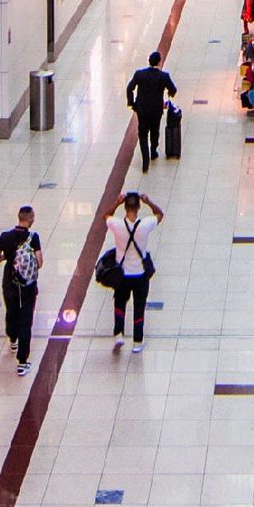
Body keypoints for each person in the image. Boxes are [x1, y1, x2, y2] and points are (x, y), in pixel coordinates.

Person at [0, 204, 42, 374]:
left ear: (19, 218)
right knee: (26, 319)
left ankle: (12, 339)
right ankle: (22, 362)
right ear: (31, 219)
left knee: (11, 311)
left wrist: (7, 257)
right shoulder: (34, 237)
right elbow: (39, 263)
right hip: (27, 285)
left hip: (9, 282)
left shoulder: (5, 237)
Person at [108, 189, 162, 352]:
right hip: (140, 274)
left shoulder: (117, 224)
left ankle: (118, 334)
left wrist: (116, 202)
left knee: (119, 303)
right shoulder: (145, 225)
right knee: (139, 306)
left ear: (125, 207)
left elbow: (105, 215)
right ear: (139, 207)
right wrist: (149, 201)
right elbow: (160, 214)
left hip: (122, 274)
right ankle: (137, 342)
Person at [126, 50, 177, 173]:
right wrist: (170, 92)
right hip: (156, 110)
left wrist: (131, 103)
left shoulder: (139, 74)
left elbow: (129, 88)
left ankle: (145, 160)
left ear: (149, 61)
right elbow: (173, 90)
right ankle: (153, 150)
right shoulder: (164, 76)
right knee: (155, 130)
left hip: (142, 109)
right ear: (159, 62)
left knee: (142, 133)